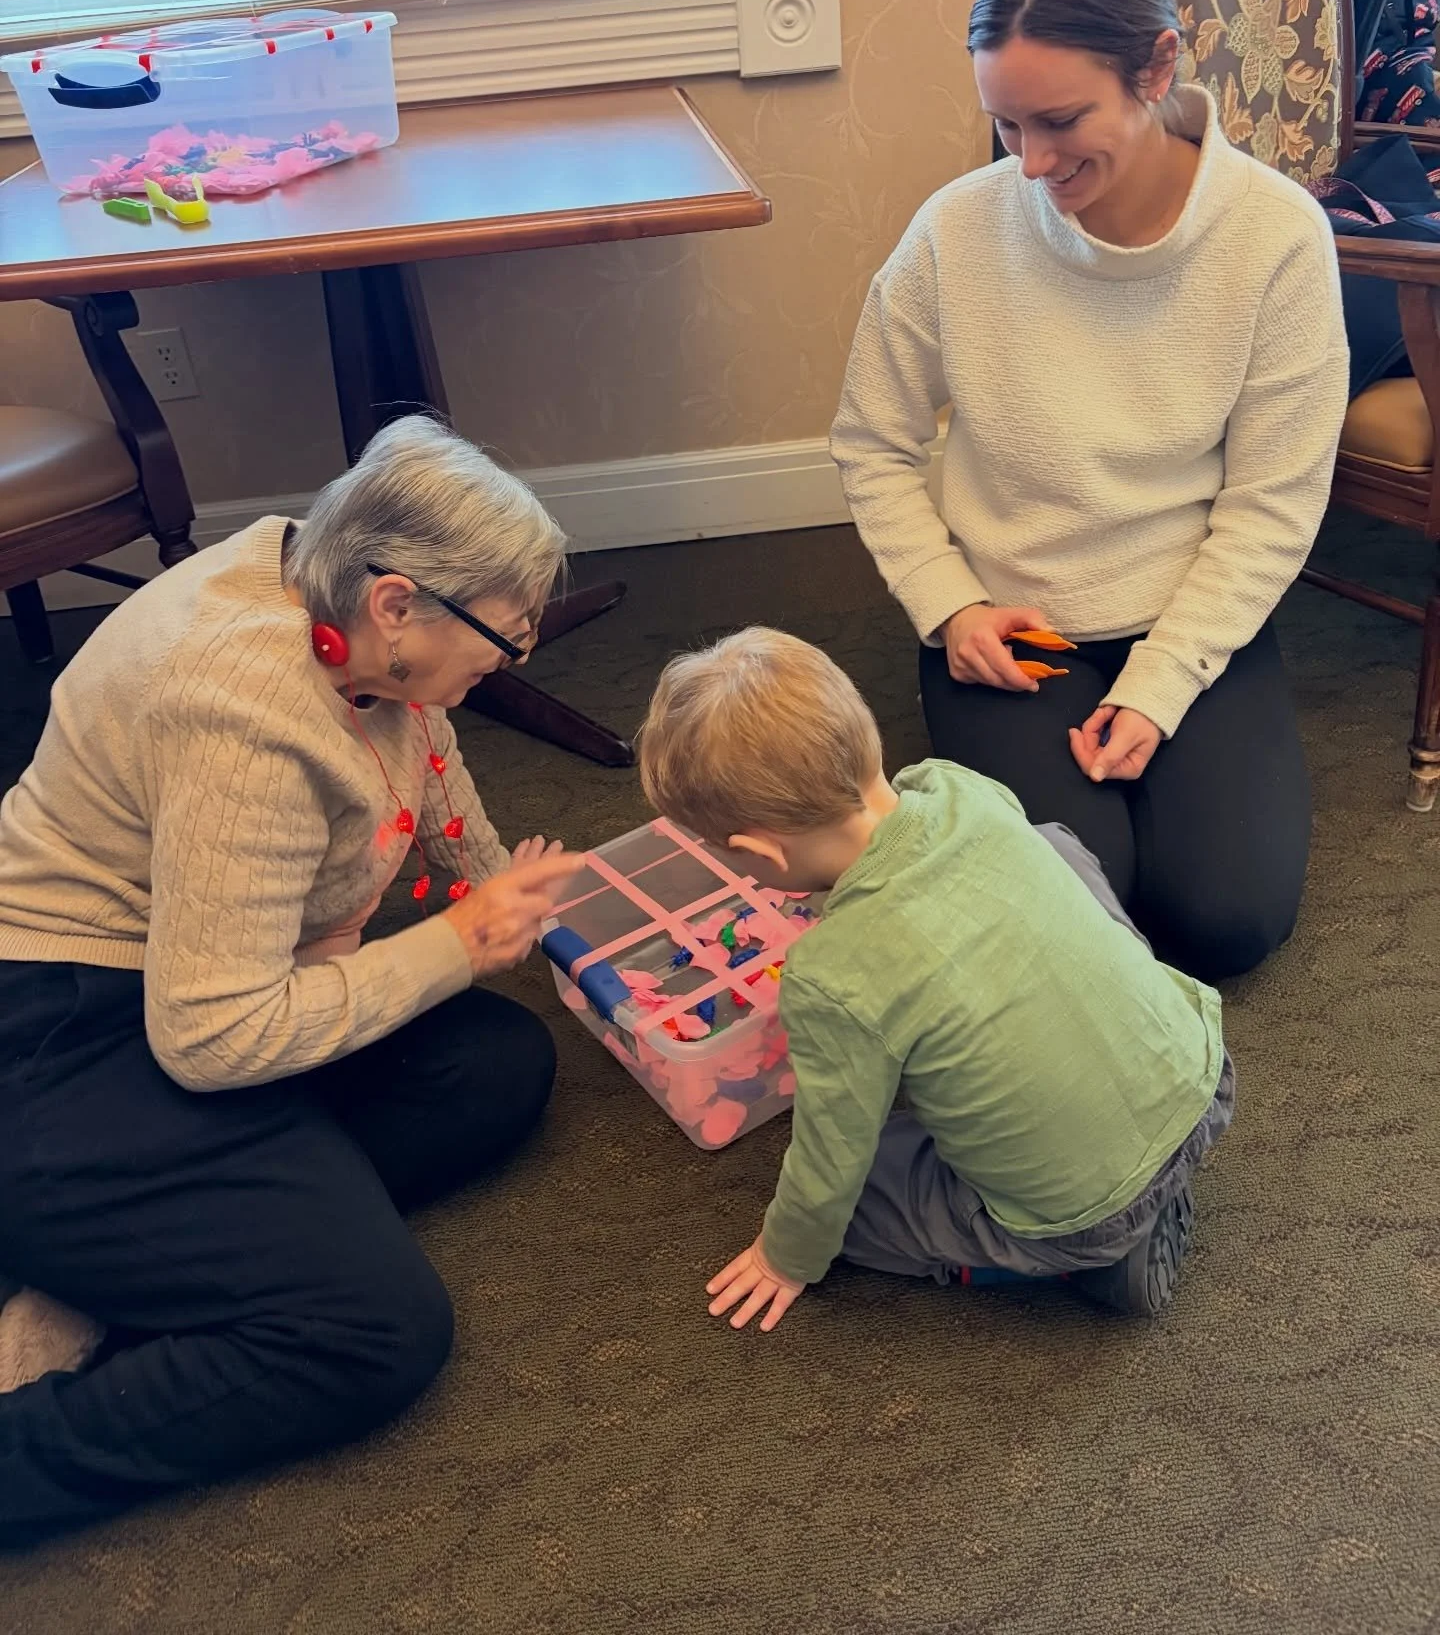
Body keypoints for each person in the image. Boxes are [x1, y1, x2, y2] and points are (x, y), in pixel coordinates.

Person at [0, 415, 582, 1548]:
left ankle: (141, 1247)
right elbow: (213, 1038)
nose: (506, 668)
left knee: (496, 1064)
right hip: (63, 1027)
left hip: (208, 969)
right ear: (398, 602)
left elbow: (429, 760)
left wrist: (503, 888)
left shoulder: (335, 580)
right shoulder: (247, 714)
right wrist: (461, 943)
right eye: (503, 643)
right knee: (373, 1331)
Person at [829, 0, 1349, 984]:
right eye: (1006, 126)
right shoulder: (956, 233)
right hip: (1015, 630)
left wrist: (1160, 688)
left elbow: (1271, 506)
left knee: (1224, 921)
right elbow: (872, 443)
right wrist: (950, 604)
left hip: (1190, 610)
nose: (1027, 162)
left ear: (1157, 69)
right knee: (1079, 901)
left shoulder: (1278, 241)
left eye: (1059, 122)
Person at [637, 628, 1234, 1333]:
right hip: (1204, 1084)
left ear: (756, 851)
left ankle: (1089, 1266)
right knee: (1055, 846)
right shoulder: (956, 788)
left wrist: (783, 1257)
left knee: (853, 1194)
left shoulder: (828, 979)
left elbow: (830, 1161)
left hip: (1080, 1218)